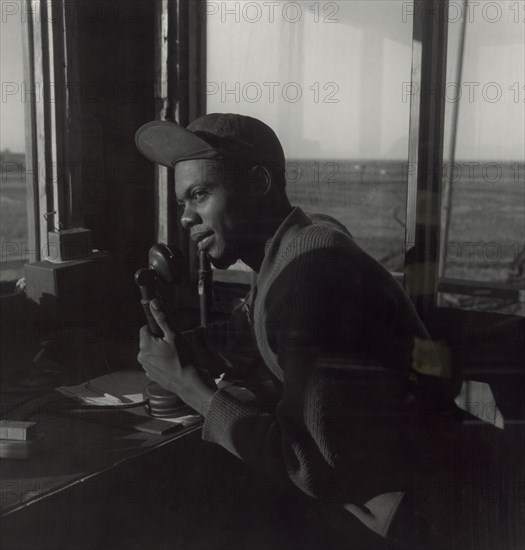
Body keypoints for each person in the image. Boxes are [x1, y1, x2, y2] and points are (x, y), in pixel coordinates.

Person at [135, 114, 501, 550]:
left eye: (200, 194)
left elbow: (311, 465)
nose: (185, 218)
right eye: (181, 203)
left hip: (441, 513)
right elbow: (256, 326)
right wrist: (189, 344)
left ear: (258, 182)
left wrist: (189, 387)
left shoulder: (309, 275)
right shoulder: (304, 238)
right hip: (430, 484)